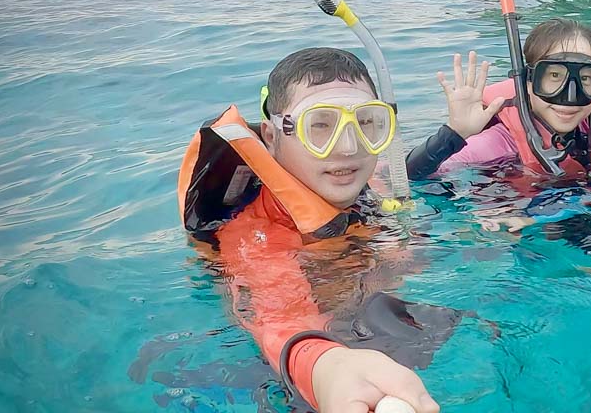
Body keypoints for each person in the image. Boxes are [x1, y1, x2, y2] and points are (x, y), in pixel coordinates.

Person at [178, 48, 442, 413]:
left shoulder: (368, 187)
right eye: (319, 126)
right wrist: (326, 368)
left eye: (366, 123)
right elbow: (280, 320)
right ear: (271, 137)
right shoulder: (257, 236)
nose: (348, 148)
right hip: (290, 369)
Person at [406, 18, 591, 179]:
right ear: (527, 82)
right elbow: (415, 175)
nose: (568, 98)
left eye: (585, 79)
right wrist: (454, 134)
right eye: (553, 76)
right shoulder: (502, 142)